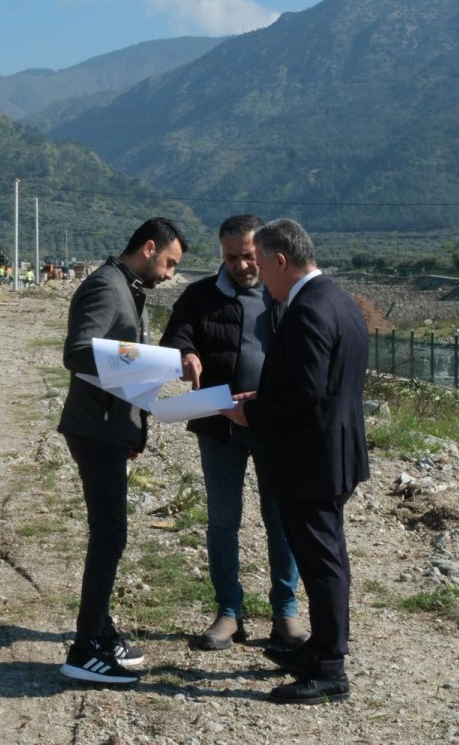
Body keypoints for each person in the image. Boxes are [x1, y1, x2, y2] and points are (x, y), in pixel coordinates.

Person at [221, 219, 369, 705]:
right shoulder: (338, 300)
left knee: (323, 562)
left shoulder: (306, 310)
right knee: (321, 556)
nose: (259, 276)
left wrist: (251, 412)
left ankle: (329, 668)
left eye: (261, 265)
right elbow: (317, 382)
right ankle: (320, 652)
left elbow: (307, 392)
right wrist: (263, 395)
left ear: (281, 261)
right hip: (333, 453)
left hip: (312, 460)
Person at [160, 215, 306, 652]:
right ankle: (228, 612)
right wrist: (185, 352)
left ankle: (286, 612)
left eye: (248, 256)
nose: (242, 265)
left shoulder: (287, 295)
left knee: (281, 521)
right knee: (223, 521)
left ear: (263, 251)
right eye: (231, 257)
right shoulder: (200, 295)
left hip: (274, 425)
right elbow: (178, 333)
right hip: (218, 425)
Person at [57, 217, 187, 686]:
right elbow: (76, 352)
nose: (171, 274)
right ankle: (85, 648)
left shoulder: (126, 286)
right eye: (170, 263)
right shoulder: (107, 287)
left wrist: (134, 428)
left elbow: (116, 360)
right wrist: (164, 362)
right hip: (95, 429)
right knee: (109, 535)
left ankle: (102, 630)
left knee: (112, 533)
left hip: (111, 428)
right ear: (149, 248)